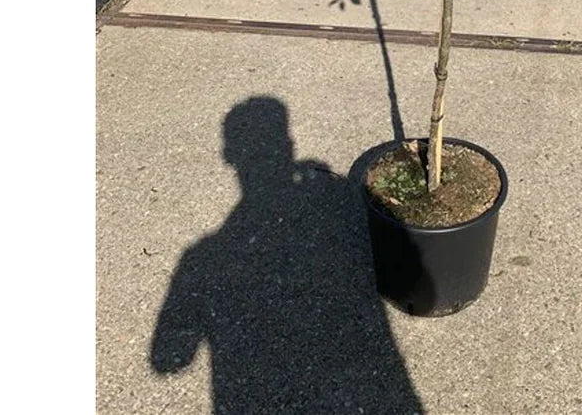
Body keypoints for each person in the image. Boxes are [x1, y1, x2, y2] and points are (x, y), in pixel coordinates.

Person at [151, 97, 422, 414]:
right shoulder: (202, 256)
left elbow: (169, 359)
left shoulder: (201, 257)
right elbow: (168, 358)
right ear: (288, 146)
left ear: (230, 156)